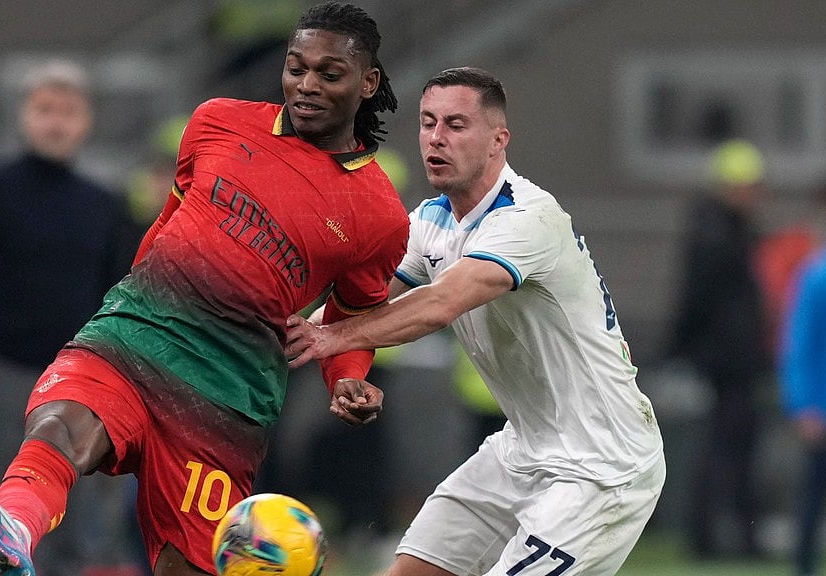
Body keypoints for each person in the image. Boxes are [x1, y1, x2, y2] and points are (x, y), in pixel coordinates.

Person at [0, 3, 409, 576]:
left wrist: (349, 379)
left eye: (329, 74)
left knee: (188, 565)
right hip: (138, 334)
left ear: (368, 82)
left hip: (225, 391)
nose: (306, 85)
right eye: (295, 67)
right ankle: (13, 527)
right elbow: (171, 219)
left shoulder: (378, 212)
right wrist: (135, 301)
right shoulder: (218, 121)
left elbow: (356, 312)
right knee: (60, 423)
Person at [285, 67, 665, 576]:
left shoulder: (528, 218)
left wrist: (329, 338)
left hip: (601, 463)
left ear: (497, 140)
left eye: (457, 125)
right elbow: (361, 301)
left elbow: (441, 302)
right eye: (427, 122)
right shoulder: (430, 221)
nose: (436, 138)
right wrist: (339, 364)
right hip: (522, 447)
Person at [0, 60, 136, 575]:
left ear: (85, 121)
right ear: (24, 115)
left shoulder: (104, 205)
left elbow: (120, 302)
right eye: (45, 109)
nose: (56, 122)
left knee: (62, 514)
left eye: (67, 111)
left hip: (74, 384)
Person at [667, 138, 771, 559]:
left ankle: (725, 538)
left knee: (730, 447)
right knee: (726, 449)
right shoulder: (721, 237)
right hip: (726, 362)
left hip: (729, 359)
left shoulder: (722, 230)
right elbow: (699, 299)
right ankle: (715, 539)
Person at [779, 190, 826, 576]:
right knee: (813, 497)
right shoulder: (815, 277)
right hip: (822, 410)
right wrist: (803, 405)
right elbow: (798, 346)